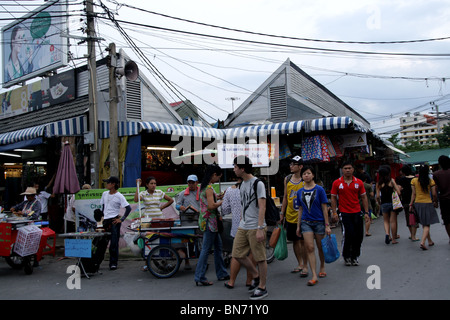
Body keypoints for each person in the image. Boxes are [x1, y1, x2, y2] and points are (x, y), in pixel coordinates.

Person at [231, 156, 268, 300]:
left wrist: (260, 228)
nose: (233, 169)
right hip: (244, 225)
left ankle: (262, 287)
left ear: (242, 168)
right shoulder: (242, 184)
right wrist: (241, 219)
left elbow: (262, 206)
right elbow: (244, 204)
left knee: (260, 258)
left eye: (235, 167)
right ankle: (256, 275)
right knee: (237, 254)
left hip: (255, 226)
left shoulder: (258, 183)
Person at [296, 166, 331, 286]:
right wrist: (298, 225)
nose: (306, 175)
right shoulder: (299, 192)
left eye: (308, 173)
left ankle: (322, 266)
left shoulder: (320, 190)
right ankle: (314, 275)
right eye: (304, 174)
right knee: (309, 248)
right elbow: (300, 209)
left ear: (313, 175)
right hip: (306, 222)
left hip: (319, 222)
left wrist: (327, 225)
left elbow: (324, 208)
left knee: (320, 247)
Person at [194, 165, 229, 286]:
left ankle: (222, 273)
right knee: (206, 249)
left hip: (207, 221)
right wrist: (223, 201)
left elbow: (208, 201)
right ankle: (200, 276)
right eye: (218, 177)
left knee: (218, 247)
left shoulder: (204, 187)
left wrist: (218, 197)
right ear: (214, 175)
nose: (218, 179)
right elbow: (211, 206)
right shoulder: (209, 188)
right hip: (210, 222)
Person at [331, 161, 369, 266]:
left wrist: (366, 212)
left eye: (349, 168)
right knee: (348, 234)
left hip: (357, 212)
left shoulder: (359, 182)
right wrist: (334, 212)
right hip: (344, 213)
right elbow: (333, 198)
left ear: (353, 169)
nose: (347, 170)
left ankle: (355, 256)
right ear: (342, 170)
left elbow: (364, 197)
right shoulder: (337, 183)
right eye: (345, 168)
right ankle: (346, 256)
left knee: (358, 236)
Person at [222, 177, 255, 289]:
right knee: (251, 253)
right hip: (251, 224)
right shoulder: (252, 187)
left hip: (237, 227)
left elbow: (225, 210)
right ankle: (249, 281)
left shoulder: (229, 191)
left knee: (236, 254)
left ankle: (231, 281)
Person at [281, 155, 308, 276]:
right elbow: (285, 197)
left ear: (300, 166)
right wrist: (282, 213)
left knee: (303, 241)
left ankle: (306, 264)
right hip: (291, 215)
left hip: (304, 216)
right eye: (290, 164)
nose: (291, 166)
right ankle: (300, 263)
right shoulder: (287, 179)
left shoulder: (306, 179)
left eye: (293, 164)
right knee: (295, 241)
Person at [100, 176, 132, 270]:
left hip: (114, 221)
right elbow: (103, 207)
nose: (106, 184)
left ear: (113, 184)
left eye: (108, 183)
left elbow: (128, 208)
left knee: (114, 243)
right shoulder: (104, 194)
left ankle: (113, 263)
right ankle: (97, 261)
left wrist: (121, 219)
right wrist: (101, 219)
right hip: (105, 220)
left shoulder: (119, 196)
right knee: (101, 242)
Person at [410, 165, 440, 250]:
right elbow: (434, 194)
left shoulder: (414, 181)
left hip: (417, 203)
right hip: (427, 203)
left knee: (424, 223)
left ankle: (430, 241)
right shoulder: (430, 181)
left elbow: (414, 194)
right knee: (427, 224)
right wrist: (435, 202)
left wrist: (411, 204)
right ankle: (423, 242)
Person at [175, 174, 201, 270]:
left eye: (193, 182)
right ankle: (187, 261)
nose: (191, 184)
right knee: (186, 241)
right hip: (186, 219)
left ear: (197, 183)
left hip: (198, 218)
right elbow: (177, 205)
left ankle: (201, 261)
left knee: (200, 241)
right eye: (189, 182)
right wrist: (180, 207)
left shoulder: (201, 192)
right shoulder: (183, 193)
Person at [376, 165, 402, 245]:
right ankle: (394, 239)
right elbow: (399, 192)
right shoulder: (391, 181)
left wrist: (379, 202)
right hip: (392, 203)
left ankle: (388, 234)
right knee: (393, 221)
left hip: (384, 203)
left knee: (386, 221)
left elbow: (377, 196)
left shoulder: (378, 183)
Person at [396, 165, 418, 241]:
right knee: (415, 217)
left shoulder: (401, 179)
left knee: (408, 217)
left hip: (405, 201)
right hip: (416, 200)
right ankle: (413, 235)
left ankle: (411, 234)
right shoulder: (415, 179)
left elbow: (399, 189)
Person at [432, 155, 450, 242]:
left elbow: (435, 190)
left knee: (447, 220)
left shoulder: (436, 174)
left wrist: (435, 202)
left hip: (444, 200)